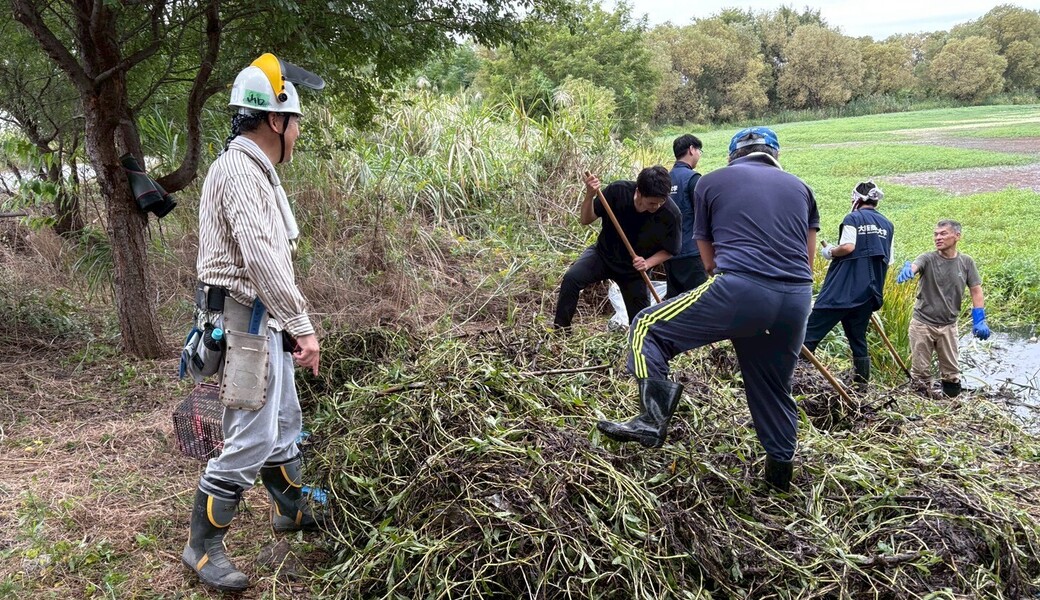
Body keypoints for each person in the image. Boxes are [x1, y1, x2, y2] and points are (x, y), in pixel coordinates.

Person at [597, 126, 819, 492]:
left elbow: (708, 259)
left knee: (647, 326)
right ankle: (779, 478)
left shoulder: (710, 183)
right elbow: (807, 261)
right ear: (775, 156)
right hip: (797, 299)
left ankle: (651, 421)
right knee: (772, 387)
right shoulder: (802, 188)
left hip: (741, 288)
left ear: (733, 156)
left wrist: (737, 303)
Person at [182, 53, 325, 592]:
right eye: (295, 124)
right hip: (243, 319)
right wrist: (302, 323)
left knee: (284, 419)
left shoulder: (255, 170)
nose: (297, 134)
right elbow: (262, 255)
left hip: (263, 318)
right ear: (274, 119)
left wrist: (287, 322)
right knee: (252, 433)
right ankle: (201, 547)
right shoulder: (240, 169)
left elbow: (272, 259)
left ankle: (290, 510)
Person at [552, 166, 680, 329]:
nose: (656, 207)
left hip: (634, 271)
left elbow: (671, 250)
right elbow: (586, 219)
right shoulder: (617, 191)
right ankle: (561, 331)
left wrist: (647, 263)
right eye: (652, 203)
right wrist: (589, 195)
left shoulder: (671, 214)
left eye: (660, 202)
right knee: (571, 279)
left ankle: (637, 347)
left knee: (641, 321)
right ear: (639, 192)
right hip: (603, 255)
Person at [803, 181, 894, 391]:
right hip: (870, 292)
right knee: (858, 339)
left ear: (858, 199)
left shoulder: (853, 218)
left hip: (843, 290)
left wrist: (831, 252)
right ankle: (861, 387)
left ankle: (798, 377)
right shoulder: (887, 225)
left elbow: (848, 247)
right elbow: (889, 260)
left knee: (810, 333)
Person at [896, 219, 990, 398]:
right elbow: (916, 266)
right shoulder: (928, 258)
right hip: (923, 324)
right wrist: (910, 269)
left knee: (951, 373)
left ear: (957, 236)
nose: (938, 238)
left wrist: (980, 319)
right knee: (921, 373)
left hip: (948, 326)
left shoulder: (966, 262)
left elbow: (976, 290)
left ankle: (951, 407)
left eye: (943, 234)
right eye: (936, 234)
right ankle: (921, 408)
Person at [665, 134, 708, 298]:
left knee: (676, 303)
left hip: (669, 253)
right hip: (692, 253)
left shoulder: (664, 179)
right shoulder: (693, 179)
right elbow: (704, 216)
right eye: (699, 151)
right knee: (699, 302)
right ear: (691, 149)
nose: (699, 155)